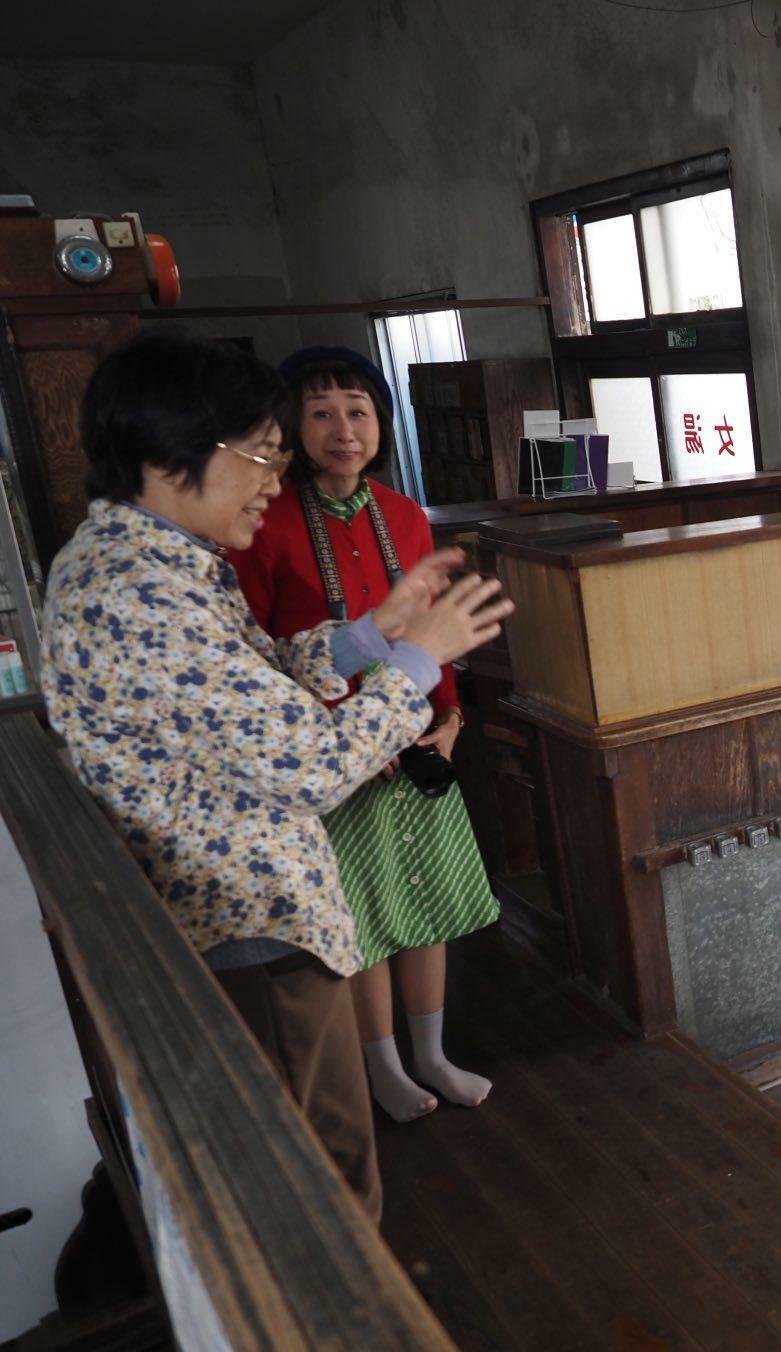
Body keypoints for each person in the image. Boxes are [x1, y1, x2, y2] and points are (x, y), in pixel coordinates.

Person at [40, 330, 511, 1220]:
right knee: (316, 1187)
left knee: (320, 1163)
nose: (271, 475)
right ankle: (349, 1348)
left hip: (257, 910)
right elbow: (311, 764)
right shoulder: (136, 590)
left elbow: (261, 670)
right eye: (260, 451)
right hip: (247, 927)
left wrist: (373, 634)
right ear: (168, 453)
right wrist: (417, 660)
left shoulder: (159, 564)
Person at [229, 346, 498, 1124]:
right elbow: (266, 662)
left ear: (380, 423)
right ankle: (382, 1068)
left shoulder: (407, 516)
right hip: (334, 759)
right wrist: (342, 736)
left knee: (427, 908)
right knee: (365, 920)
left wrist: (449, 722)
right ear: (291, 426)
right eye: (321, 412)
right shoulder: (264, 524)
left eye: (358, 410)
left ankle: (434, 1057)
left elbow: (434, 633)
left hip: (415, 748)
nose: (343, 428)